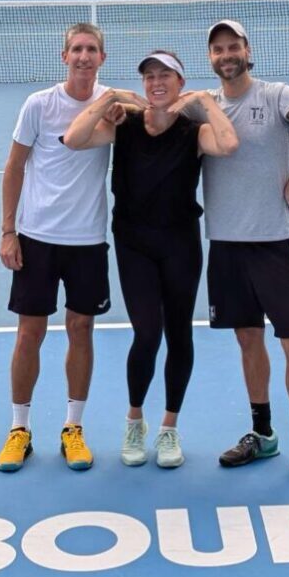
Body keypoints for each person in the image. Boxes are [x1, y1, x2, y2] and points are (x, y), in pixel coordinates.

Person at [191, 20, 289, 484]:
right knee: (247, 340)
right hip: (225, 246)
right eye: (218, 49)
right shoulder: (204, 108)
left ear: (247, 50)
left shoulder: (277, 95)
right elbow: (155, 117)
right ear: (211, 58)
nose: (226, 55)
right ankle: (262, 434)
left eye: (233, 46)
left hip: (273, 243)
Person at [64, 51, 238, 468]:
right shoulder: (122, 126)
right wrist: (110, 99)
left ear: (180, 83)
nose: (156, 82)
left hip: (180, 243)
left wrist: (205, 103)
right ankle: (134, 420)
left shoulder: (194, 131)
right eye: (148, 77)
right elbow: (74, 137)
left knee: (179, 333)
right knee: (147, 333)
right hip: (133, 243)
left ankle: (169, 428)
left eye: (166, 76)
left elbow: (229, 144)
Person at [0, 22, 130, 474]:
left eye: (92, 50)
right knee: (29, 333)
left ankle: (73, 428)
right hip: (36, 237)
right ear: (64, 56)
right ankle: (19, 429)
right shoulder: (39, 104)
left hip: (87, 239)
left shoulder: (113, 102)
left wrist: (117, 105)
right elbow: (14, 167)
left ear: (102, 59)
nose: (84, 57)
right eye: (76, 49)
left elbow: (151, 109)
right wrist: (7, 231)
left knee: (81, 329)